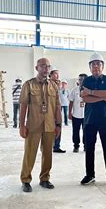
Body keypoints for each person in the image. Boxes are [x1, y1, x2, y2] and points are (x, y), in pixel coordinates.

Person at [19, 58, 62, 193]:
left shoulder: (54, 86)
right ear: (37, 68)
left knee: (48, 154)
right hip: (33, 125)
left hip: (49, 125)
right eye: (43, 66)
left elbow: (57, 107)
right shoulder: (29, 85)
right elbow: (23, 105)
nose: (46, 69)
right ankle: (26, 180)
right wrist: (22, 125)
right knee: (30, 153)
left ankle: (45, 178)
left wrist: (58, 124)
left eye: (48, 66)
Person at [80, 52, 106, 187]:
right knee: (89, 148)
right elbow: (84, 98)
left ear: (103, 66)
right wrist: (103, 97)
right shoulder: (87, 80)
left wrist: (91, 92)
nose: (96, 66)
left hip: (105, 119)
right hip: (89, 120)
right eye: (93, 64)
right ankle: (90, 174)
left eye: (98, 64)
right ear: (90, 67)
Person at [69, 73, 87, 152]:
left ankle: (86, 145)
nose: (81, 81)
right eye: (79, 79)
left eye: (82, 80)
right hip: (76, 114)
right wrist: (69, 113)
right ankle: (76, 146)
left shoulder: (89, 90)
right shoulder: (74, 90)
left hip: (86, 115)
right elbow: (71, 102)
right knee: (75, 131)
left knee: (86, 131)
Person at [50, 67, 66, 153]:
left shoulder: (58, 84)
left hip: (58, 109)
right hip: (51, 110)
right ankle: (50, 145)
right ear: (51, 74)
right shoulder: (48, 84)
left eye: (58, 73)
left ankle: (56, 146)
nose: (57, 75)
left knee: (59, 126)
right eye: (55, 73)